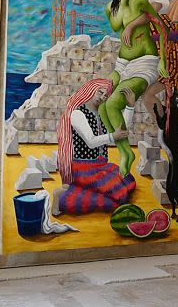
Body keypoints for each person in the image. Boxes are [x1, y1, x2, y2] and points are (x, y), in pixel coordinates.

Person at [100, 0, 169, 177]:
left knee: (113, 104)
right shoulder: (111, 8)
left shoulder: (140, 1)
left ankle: (125, 155)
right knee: (103, 105)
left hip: (144, 62)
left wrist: (162, 61)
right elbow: (115, 26)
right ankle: (124, 152)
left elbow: (161, 27)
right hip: (122, 64)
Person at [54, 79, 137, 214]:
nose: (102, 97)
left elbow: (121, 130)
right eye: (100, 92)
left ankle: (79, 189)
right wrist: (113, 137)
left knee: (129, 181)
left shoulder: (101, 114)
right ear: (90, 90)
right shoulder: (78, 113)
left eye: (105, 95)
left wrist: (130, 106)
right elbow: (91, 142)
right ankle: (63, 197)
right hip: (85, 169)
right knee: (121, 196)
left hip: (101, 166)